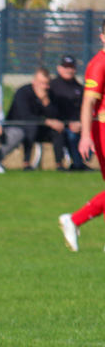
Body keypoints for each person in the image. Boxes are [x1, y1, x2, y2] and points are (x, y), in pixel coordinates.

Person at [60, 19, 105, 251]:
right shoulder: (99, 64)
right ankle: (74, 219)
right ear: (102, 36)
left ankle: (74, 220)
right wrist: (86, 136)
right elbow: (88, 102)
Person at [0, 68, 66, 171]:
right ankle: (26, 163)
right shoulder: (22, 92)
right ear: (34, 81)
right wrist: (47, 121)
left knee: (58, 129)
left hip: (40, 126)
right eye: (42, 84)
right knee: (32, 127)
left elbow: (55, 115)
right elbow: (26, 116)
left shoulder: (49, 94)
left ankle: (59, 164)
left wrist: (46, 102)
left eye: (47, 84)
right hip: (18, 126)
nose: (45, 87)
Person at [50, 55, 93, 171]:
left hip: (78, 125)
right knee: (71, 135)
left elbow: (85, 109)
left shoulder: (79, 87)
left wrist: (81, 124)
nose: (69, 70)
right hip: (60, 125)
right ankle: (77, 164)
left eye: (71, 67)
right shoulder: (52, 86)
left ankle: (81, 161)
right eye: (66, 67)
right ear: (59, 68)